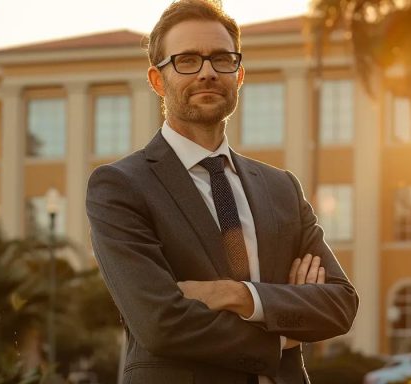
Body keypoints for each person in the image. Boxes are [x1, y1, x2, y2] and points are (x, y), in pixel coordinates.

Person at [85, 1, 359, 383]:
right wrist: (282, 332)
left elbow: (340, 304)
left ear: (239, 74)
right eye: (187, 60)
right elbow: (160, 323)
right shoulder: (120, 187)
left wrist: (238, 295)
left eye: (221, 59)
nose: (208, 72)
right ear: (157, 80)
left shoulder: (281, 188)